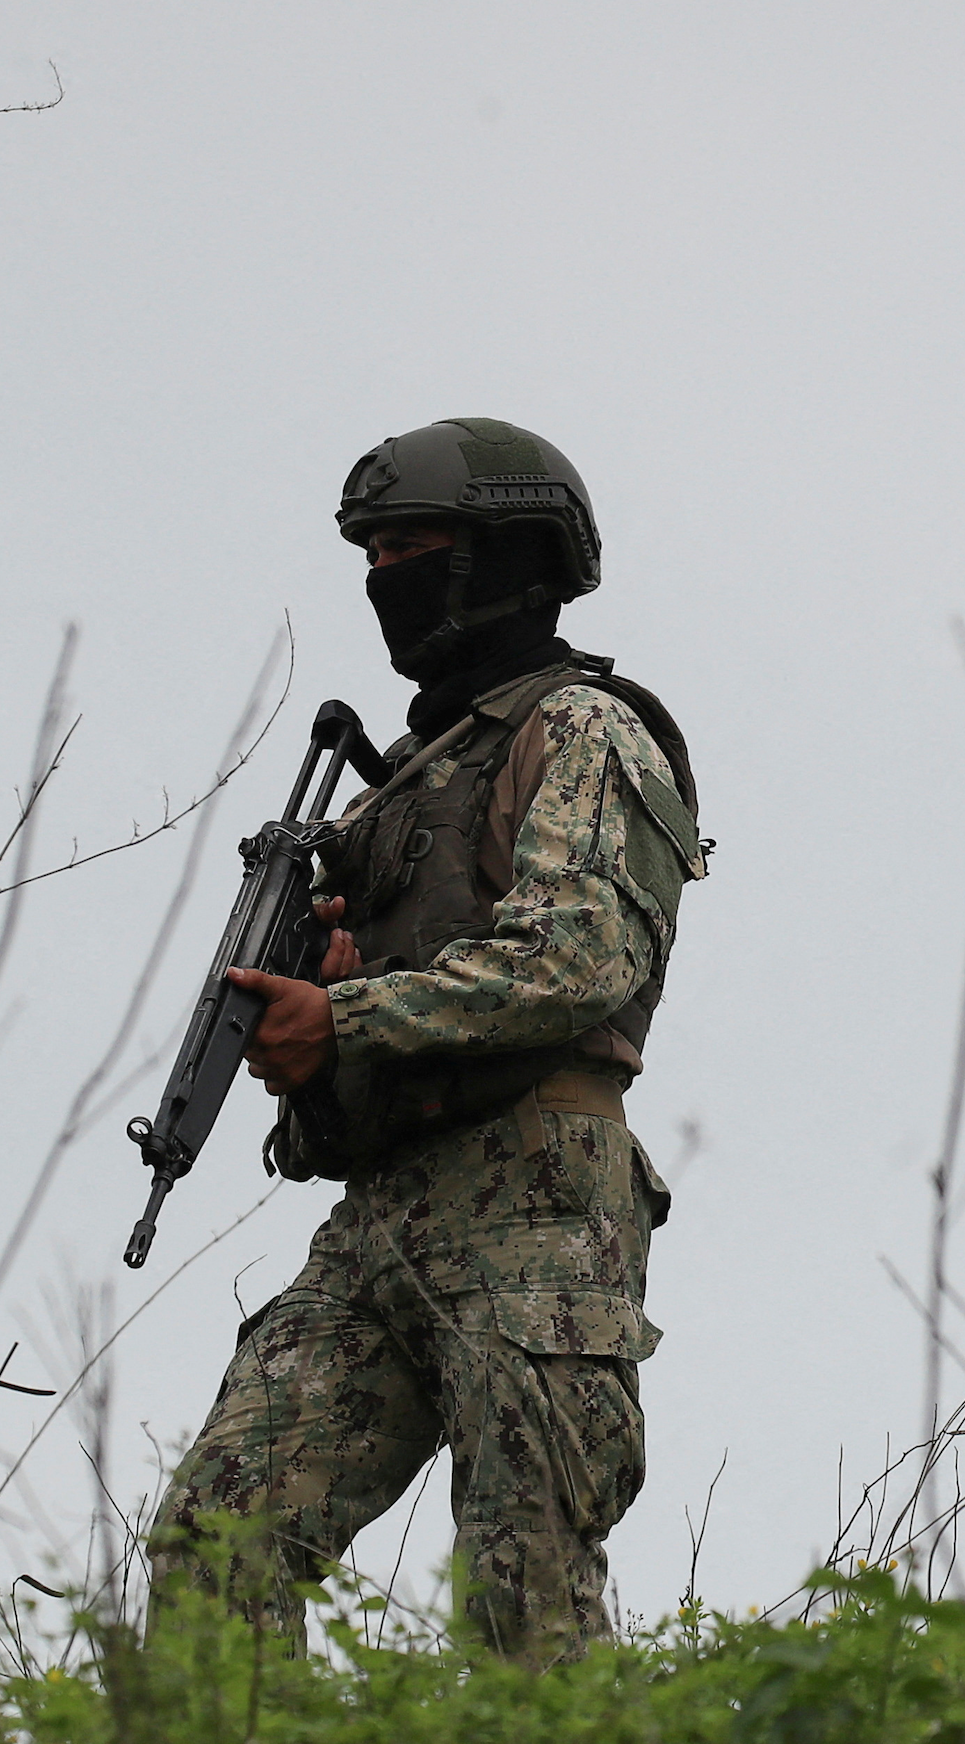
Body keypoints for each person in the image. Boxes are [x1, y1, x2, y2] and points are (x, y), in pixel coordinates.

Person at [148, 417, 708, 1658]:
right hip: (382, 1213)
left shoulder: (585, 729)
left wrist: (341, 1017)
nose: (384, 575)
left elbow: (579, 957)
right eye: (374, 550)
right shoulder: (407, 773)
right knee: (213, 1544)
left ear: (504, 555)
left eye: (414, 546)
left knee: (524, 1606)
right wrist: (326, 1017)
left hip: (537, 1203)